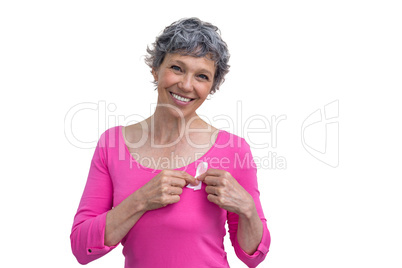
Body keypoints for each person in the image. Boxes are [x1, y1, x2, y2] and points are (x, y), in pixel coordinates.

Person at [70, 17, 271, 268]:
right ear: (155, 68)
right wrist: (142, 200)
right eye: (177, 68)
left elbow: (252, 256)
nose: (186, 85)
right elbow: (81, 247)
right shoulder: (112, 144)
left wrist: (247, 209)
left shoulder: (233, 149)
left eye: (202, 76)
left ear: (212, 86)